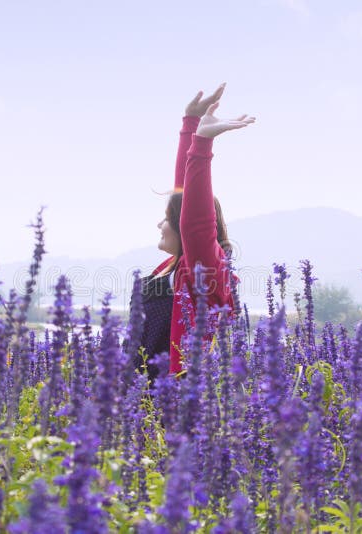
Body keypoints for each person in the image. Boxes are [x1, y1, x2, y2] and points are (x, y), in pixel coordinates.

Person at [133, 83, 255, 380]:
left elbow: (194, 219)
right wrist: (191, 124)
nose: (159, 225)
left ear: (182, 227)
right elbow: (182, 197)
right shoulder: (172, 266)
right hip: (140, 393)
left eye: (165, 219)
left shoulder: (204, 270)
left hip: (177, 396)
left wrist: (202, 143)